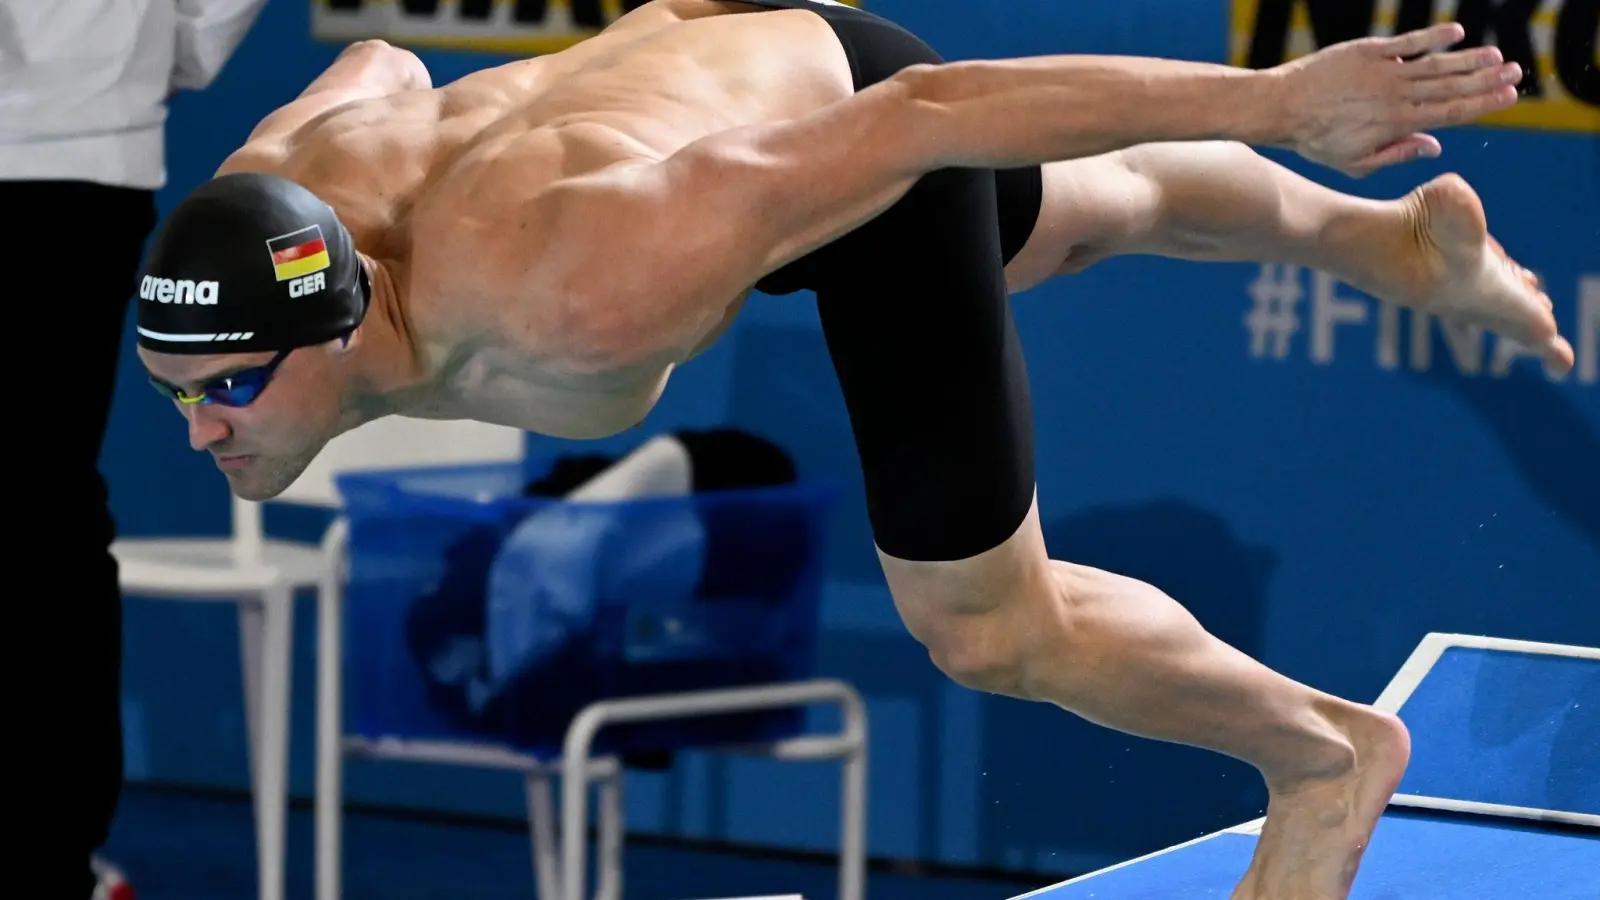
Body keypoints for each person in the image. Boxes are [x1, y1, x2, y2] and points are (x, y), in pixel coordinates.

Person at [130, 1, 1575, 896]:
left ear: (329, 329)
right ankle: (1394, 248)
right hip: (707, 90)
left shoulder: (572, 289)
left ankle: (1324, 758)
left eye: (231, 393)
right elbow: (376, 57)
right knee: (1080, 214)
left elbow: (927, 113)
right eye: (174, 392)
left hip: (823, 124)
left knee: (987, 628)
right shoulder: (265, 199)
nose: (201, 429)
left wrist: (1275, 100)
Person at [0, 1, 266, 897]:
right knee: (42, 508)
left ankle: (51, 857)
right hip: (84, 139)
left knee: (37, 509)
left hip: (69, 147)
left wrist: (147, 53)